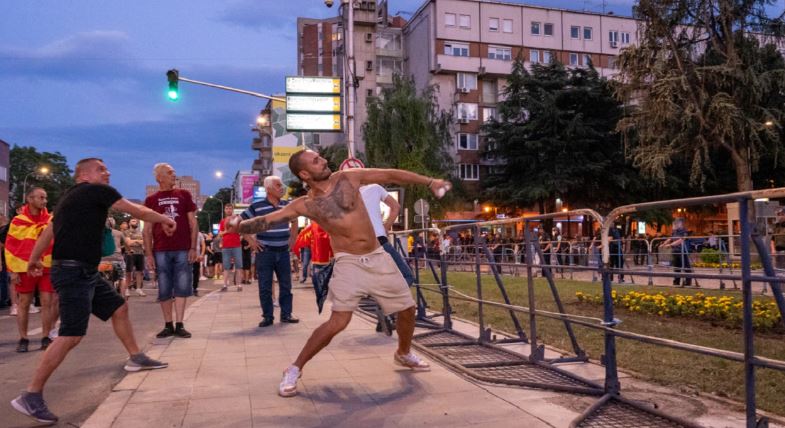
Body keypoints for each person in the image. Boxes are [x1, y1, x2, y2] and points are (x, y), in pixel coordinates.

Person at [232, 149, 450, 397]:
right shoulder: (306, 204)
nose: (323, 161)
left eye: (321, 158)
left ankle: (403, 352)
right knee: (338, 322)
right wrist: (239, 226)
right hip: (348, 263)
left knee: (408, 309)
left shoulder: (349, 178)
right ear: (304, 173)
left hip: (378, 256)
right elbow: (271, 219)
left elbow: (390, 174)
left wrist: (430, 181)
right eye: (316, 160)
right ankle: (293, 369)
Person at [10, 158, 172, 424]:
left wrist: (34, 259)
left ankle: (136, 357)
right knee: (71, 335)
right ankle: (31, 394)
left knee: (119, 306)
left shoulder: (67, 199)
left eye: (107, 168)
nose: (107, 172)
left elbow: (49, 231)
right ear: (84, 175)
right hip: (74, 272)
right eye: (101, 169)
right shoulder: (98, 191)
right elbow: (136, 211)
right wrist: (164, 218)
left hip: (82, 270)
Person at [143, 163, 198, 339]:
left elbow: (193, 223)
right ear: (159, 177)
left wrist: (193, 247)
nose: (174, 176)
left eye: (174, 173)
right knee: (164, 286)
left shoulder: (184, 195)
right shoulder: (151, 200)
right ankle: (168, 324)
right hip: (161, 249)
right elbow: (147, 230)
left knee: (182, 285)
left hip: (182, 247)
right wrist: (149, 254)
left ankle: (180, 324)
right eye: (170, 173)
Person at [240, 176, 299, 327]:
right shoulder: (257, 206)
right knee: (265, 286)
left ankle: (286, 314)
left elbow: (294, 220)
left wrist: (293, 237)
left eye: (281, 185)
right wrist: (251, 241)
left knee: (286, 285)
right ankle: (267, 316)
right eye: (278, 185)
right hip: (265, 251)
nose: (282, 188)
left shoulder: (287, 205)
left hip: (283, 251)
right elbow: (240, 223)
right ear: (268, 189)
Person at [5, 187, 57, 352]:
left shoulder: (51, 220)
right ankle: (23, 338)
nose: (44, 201)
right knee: (24, 303)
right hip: (23, 267)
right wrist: (12, 271)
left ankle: (45, 337)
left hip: (47, 265)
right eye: (41, 197)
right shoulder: (17, 221)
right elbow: (10, 247)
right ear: (30, 199)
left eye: (45, 198)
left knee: (47, 302)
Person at [660, 218, 693, 286]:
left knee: (686, 267)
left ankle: (688, 282)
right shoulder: (674, 231)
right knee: (676, 268)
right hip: (675, 251)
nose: (673, 225)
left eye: (675, 224)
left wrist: (670, 245)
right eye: (673, 224)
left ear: (680, 224)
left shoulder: (684, 231)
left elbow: (681, 240)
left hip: (682, 251)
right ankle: (676, 282)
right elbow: (670, 238)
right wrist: (664, 244)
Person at [219, 203, 243, 291]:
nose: (228, 210)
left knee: (239, 266)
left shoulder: (237, 220)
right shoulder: (222, 221)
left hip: (237, 245)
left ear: (232, 210)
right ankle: (225, 285)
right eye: (227, 208)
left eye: (230, 208)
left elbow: (241, 232)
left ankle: (239, 285)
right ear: (225, 210)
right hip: (226, 246)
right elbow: (220, 234)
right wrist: (227, 231)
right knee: (226, 266)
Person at [100, 217, 127, 295]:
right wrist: (129, 250)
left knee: (100, 278)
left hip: (103, 259)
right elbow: (126, 244)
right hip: (117, 258)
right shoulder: (119, 233)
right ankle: (122, 297)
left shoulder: (99, 233)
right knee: (122, 277)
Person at [123, 218, 147, 297]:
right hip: (130, 253)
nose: (135, 223)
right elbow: (128, 242)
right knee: (128, 272)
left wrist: (135, 241)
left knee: (139, 271)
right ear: (129, 223)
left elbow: (144, 242)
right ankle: (127, 289)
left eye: (136, 221)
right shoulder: (126, 232)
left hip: (140, 253)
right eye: (133, 221)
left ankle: (138, 288)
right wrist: (139, 241)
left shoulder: (140, 232)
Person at [192, 231, 205, 296]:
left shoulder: (199, 234)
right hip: (187, 256)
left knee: (196, 272)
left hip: (197, 257)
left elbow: (203, 244)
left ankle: (194, 288)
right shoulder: (186, 232)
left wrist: (202, 254)